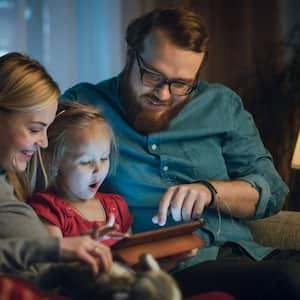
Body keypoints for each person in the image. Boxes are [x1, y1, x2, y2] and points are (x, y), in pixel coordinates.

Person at [62, 7, 300, 300]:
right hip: (171, 269)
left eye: (181, 84)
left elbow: (273, 191)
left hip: (250, 255)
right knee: (287, 280)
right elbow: (32, 169)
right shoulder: (82, 105)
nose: (163, 94)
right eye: (153, 76)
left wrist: (210, 191)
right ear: (130, 54)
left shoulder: (221, 104)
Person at [0, 52, 112, 282]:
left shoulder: (7, 183)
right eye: (34, 129)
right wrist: (55, 249)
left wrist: (77, 252)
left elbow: (41, 275)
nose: (44, 143)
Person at [29, 101, 133, 246]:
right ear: (55, 162)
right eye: (85, 162)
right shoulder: (49, 210)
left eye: (104, 158)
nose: (98, 168)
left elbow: (134, 255)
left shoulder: (117, 206)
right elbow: (51, 262)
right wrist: (86, 246)